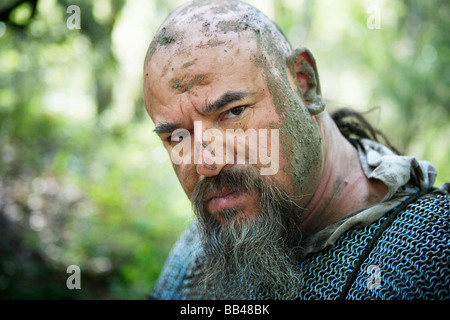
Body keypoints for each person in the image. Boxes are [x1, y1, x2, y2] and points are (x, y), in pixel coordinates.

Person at [143, 0, 449, 300]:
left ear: (304, 84)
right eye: (177, 137)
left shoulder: (433, 246)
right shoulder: (200, 248)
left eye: (233, 112)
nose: (206, 163)